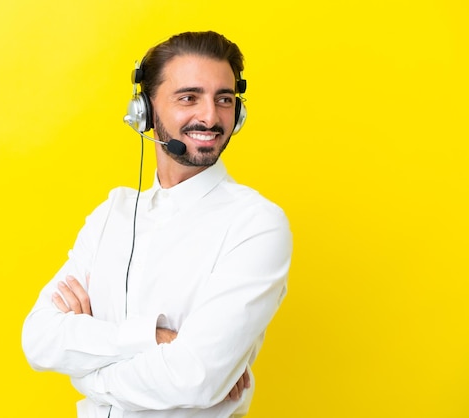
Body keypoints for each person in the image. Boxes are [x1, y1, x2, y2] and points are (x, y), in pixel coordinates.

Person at [21, 31, 292, 418]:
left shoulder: (256, 224)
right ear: (144, 110)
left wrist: (87, 375)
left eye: (224, 100)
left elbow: (195, 378)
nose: (211, 117)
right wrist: (153, 336)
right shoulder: (111, 215)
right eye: (189, 97)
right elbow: (40, 339)